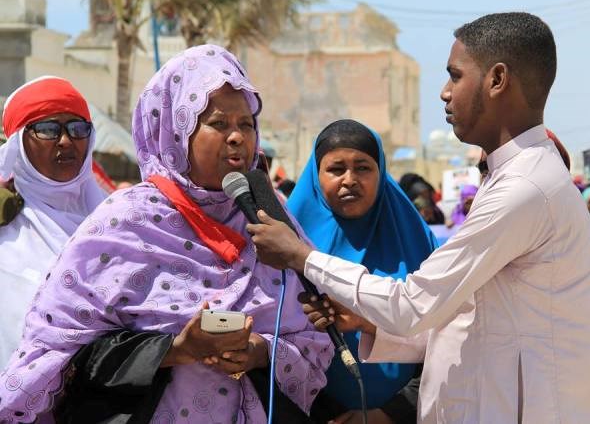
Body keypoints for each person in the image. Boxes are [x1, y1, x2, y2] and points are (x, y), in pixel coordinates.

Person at [247, 12, 590, 423]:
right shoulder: (514, 178)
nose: (444, 93)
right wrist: (369, 324)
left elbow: (412, 304)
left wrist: (301, 256)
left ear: (497, 80)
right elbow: (469, 326)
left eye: (455, 76)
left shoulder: (525, 187)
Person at [0, 45, 332, 423]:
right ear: (176, 133)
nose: (237, 137)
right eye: (219, 124)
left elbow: (317, 340)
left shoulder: (269, 219)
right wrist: (176, 349)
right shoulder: (124, 223)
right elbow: (60, 350)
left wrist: (261, 351)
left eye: (246, 124)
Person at [287, 119, 439, 424]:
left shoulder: (417, 241)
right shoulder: (289, 244)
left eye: (363, 168)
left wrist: (389, 414)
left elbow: (443, 337)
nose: (350, 180)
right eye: (336, 169)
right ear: (316, 176)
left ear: (380, 173)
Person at [0, 76, 106, 367]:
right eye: (48, 129)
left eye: (78, 128)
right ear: (19, 143)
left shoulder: (117, 221)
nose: (66, 141)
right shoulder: (6, 229)